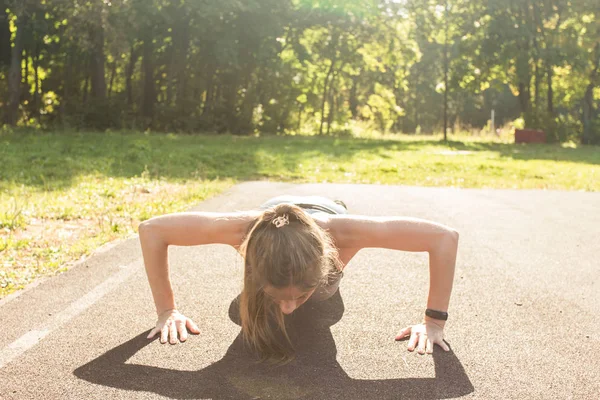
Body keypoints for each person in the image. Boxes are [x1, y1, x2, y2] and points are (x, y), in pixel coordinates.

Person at [139, 195, 458, 363]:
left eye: (301, 294)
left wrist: (434, 322)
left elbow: (444, 238)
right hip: (273, 209)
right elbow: (152, 230)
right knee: (241, 313)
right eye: (278, 296)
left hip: (325, 209)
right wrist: (167, 310)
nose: (289, 309)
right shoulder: (243, 232)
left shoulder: (345, 234)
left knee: (316, 302)